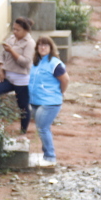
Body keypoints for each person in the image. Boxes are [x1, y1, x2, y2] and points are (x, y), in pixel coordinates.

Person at [29, 36, 70, 167]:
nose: (42, 47)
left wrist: (61, 92)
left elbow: (65, 80)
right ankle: (46, 154)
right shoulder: (36, 62)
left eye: (45, 45)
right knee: (42, 128)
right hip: (36, 100)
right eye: (40, 45)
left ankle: (50, 156)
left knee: (43, 128)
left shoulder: (54, 63)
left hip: (50, 102)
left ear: (51, 48)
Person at [0, 17, 36, 135]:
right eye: (14, 29)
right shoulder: (11, 39)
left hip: (21, 80)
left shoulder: (30, 43)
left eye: (18, 30)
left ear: (26, 31)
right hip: (8, 77)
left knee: (23, 106)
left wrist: (12, 51)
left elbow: (25, 62)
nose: (15, 32)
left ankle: (23, 131)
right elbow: (2, 55)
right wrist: (1, 68)